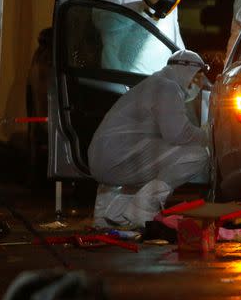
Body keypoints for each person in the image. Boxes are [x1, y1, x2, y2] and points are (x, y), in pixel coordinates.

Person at [88, 50, 210, 228]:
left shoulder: (153, 83)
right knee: (197, 156)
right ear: (186, 71)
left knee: (157, 154)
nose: (198, 84)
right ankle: (142, 212)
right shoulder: (168, 88)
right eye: (197, 77)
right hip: (118, 159)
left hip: (103, 161)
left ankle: (107, 212)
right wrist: (206, 135)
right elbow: (178, 133)